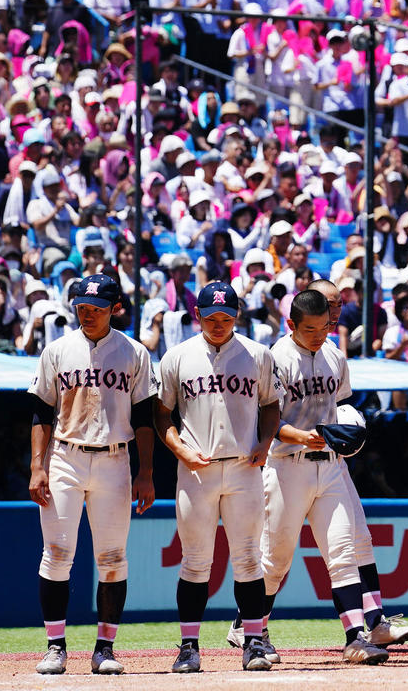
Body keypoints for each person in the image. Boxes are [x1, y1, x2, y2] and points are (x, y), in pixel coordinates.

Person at [28, 274, 156, 676]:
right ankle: (55, 647)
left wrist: (147, 472)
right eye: (82, 307)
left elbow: (144, 417)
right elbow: (40, 411)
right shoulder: (58, 349)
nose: (87, 314)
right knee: (57, 555)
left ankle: (105, 647)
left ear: (114, 308)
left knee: (113, 558)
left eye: (96, 308)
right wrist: (37, 465)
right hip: (64, 457)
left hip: (115, 459)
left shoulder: (134, 352)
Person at [256, 289, 390, 665]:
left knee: (343, 553)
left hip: (329, 466)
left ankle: (355, 638)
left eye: (325, 327)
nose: (319, 335)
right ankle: (253, 630)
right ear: (291, 325)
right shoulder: (275, 359)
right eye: (310, 329)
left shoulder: (334, 353)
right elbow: (266, 419)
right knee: (275, 560)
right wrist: (303, 436)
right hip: (287, 466)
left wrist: (352, 424)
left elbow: (343, 403)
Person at [155, 281, 283, 673]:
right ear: (198, 316)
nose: (219, 324)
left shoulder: (257, 354)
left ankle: (254, 643)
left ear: (237, 316)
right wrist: (178, 449)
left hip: (244, 467)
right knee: (195, 562)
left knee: (248, 559)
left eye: (227, 318)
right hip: (197, 469)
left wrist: (265, 442)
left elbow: (272, 406)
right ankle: (189, 646)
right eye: (211, 317)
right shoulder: (177, 357)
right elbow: (162, 414)